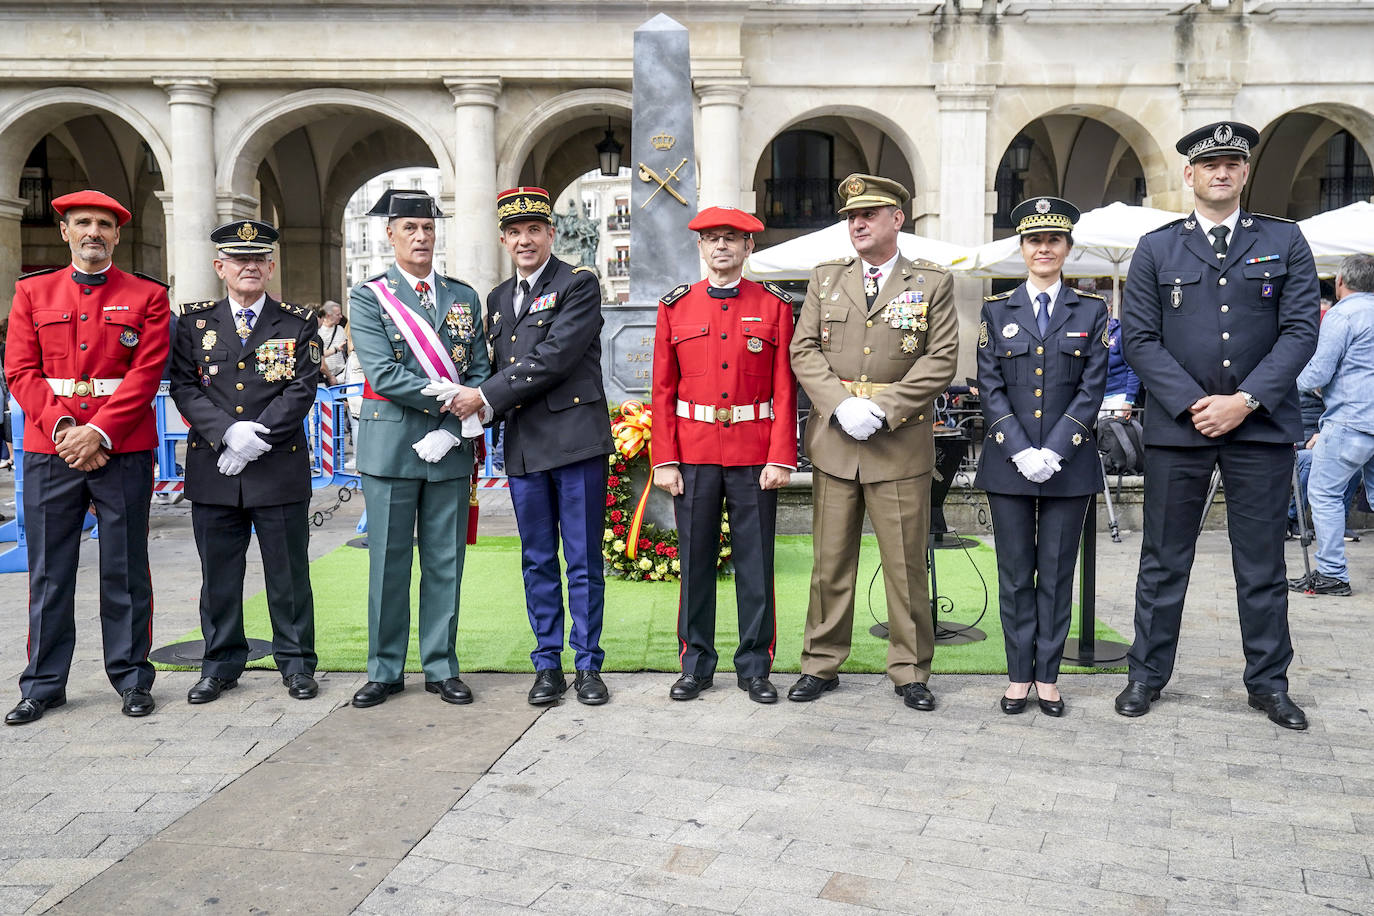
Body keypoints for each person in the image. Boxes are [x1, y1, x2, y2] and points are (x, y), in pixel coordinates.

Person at [1118, 121, 1319, 730]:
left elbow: (1300, 331)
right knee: (1163, 559)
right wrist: (1193, 403)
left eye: (1233, 163)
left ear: (1246, 172)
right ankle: (1146, 675)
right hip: (1181, 429)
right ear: (1190, 174)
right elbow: (1139, 339)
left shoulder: (1284, 240)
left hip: (1260, 428)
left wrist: (1245, 401)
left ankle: (1269, 684)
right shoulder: (1157, 248)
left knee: (1261, 564)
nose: (1222, 172)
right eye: (1210, 165)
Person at [434, 186, 614, 706]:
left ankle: (588, 666)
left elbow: (555, 357)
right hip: (526, 447)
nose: (525, 240)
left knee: (582, 560)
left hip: (576, 444)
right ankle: (547, 665)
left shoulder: (578, 283)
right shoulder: (496, 299)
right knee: (537, 560)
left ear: (551, 233)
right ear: (503, 240)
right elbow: (492, 364)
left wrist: (482, 397)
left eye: (534, 229)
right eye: (514, 232)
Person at [788, 173, 959, 711]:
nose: (857, 224)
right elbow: (803, 349)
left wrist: (883, 409)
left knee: (905, 568)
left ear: (897, 219)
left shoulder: (930, 281)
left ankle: (910, 670)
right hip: (837, 441)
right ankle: (820, 662)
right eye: (851, 217)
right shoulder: (826, 278)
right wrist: (840, 404)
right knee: (830, 564)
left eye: (868, 214)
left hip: (898, 443)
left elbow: (941, 359)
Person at [3, 190, 170, 724]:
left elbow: (146, 373)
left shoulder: (147, 295)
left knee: (125, 568)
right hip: (51, 446)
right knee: (49, 572)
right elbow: (20, 370)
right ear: (65, 231)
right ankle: (43, 684)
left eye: (103, 224)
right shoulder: (32, 291)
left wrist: (97, 433)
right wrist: (66, 429)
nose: (93, 232)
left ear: (117, 235)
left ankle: (132, 678)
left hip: (121, 447)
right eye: (83, 223)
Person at [347, 189, 491, 708]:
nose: (421, 236)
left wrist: (452, 431)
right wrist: (451, 404)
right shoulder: (369, 297)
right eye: (409, 227)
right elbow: (384, 374)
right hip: (391, 447)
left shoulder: (463, 296)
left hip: (450, 448)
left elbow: (480, 371)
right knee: (388, 564)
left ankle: (441, 666)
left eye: (428, 227)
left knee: (445, 561)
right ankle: (385, 670)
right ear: (390, 235)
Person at [168, 219, 321, 703]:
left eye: (258, 259)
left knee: (288, 575)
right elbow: (184, 386)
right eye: (238, 259)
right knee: (218, 577)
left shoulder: (297, 321)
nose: (249, 266)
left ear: (270, 268)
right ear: (221, 267)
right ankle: (219, 664)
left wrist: (257, 437)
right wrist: (227, 434)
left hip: (277, 468)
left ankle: (296, 664)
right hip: (215, 468)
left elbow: (302, 388)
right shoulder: (193, 323)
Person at [650, 206, 798, 705]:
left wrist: (781, 455)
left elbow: (785, 387)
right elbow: (662, 390)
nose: (721, 246)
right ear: (700, 247)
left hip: (754, 452)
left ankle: (755, 667)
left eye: (731, 238)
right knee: (695, 563)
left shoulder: (774, 305)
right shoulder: (676, 306)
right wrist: (665, 459)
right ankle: (696, 664)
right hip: (693, 452)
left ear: (748, 247)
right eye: (712, 238)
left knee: (756, 564)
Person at [975, 197, 1108, 717]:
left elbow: (1092, 389)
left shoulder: (1091, 310)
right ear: (1023, 248)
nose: (1044, 249)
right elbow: (990, 388)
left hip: (1067, 466)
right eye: (1034, 240)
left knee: (1055, 574)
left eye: (1054, 240)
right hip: (1008, 465)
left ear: (1067, 248)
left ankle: (1048, 677)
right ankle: (1017, 675)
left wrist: (1053, 450)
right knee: (1014, 575)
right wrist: (1019, 450)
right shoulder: (996, 310)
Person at [1289, 253, 1374, 596]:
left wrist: (1283, 382)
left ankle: (1333, 574)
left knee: (1324, 494)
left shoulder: (1342, 315)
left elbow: (1318, 372)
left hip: (1350, 420)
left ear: (1340, 282)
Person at [316, 300, 349, 386]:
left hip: (340, 375)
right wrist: (335, 349)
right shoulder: (318, 331)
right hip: (323, 377)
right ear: (328, 315)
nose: (341, 316)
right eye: (338, 314)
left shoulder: (341, 330)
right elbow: (319, 355)